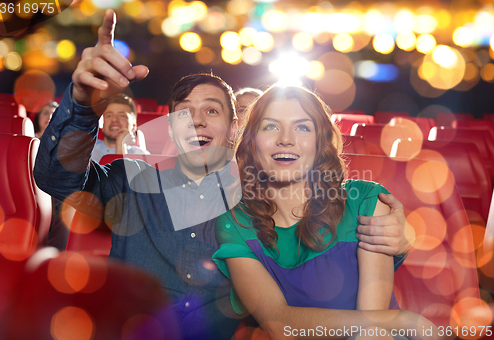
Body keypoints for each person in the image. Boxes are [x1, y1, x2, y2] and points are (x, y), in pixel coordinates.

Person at [34, 10, 412, 340]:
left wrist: (396, 236)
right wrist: (83, 104)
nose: (196, 119)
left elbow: (326, 248)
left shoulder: (264, 200)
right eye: (184, 111)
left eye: (212, 111)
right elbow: (56, 180)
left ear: (234, 129)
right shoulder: (130, 181)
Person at [213, 85, 440, 340]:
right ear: (251, 142)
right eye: (271, 126)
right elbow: (280, 326)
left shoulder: (366, 201)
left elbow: (372, 329)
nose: (286, 139)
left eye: (302, 127)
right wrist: (403, 320)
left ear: (320, 142)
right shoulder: (234, 222)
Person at [91, 93, 149, 161]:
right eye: (109, 115)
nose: (114, 119)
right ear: (102, 125)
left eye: (122, 116)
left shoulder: (142, 156)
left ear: (134, 126)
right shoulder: (88, 150)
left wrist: (121, 145)